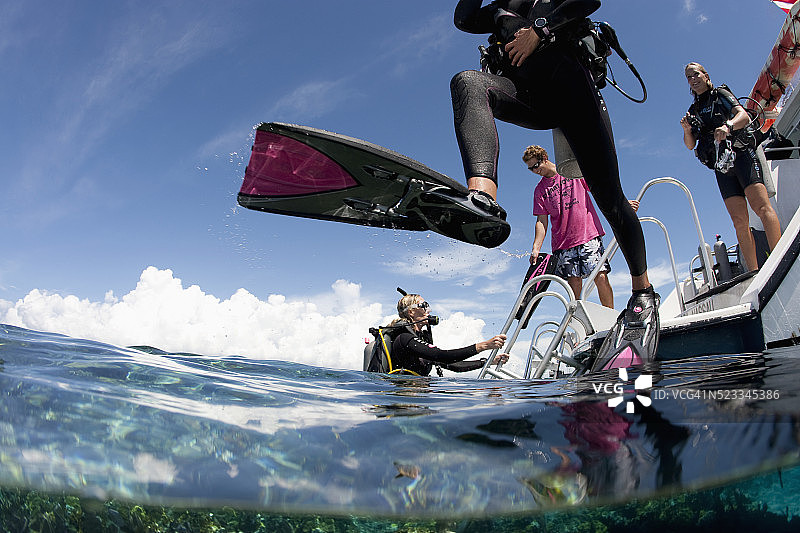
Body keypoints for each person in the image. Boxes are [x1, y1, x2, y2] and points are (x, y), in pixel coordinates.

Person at [450, 0, 659, 337]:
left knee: (612, 202)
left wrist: (538, 30)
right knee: (467, 82)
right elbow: (463, 19)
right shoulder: (494, 12)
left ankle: (643, 292)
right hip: (530, 98)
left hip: (575, 93)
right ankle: (482, 197)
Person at [680, 62, 782, 271]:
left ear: (705, 75)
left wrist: (727, 126)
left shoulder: (720, 94)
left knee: (762, 208)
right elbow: (690, 145)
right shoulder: (694, 110)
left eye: (695, 74)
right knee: (739, 222)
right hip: (722, 167)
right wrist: (687, 130)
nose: (693, 79)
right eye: (689, 78)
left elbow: (743, 116)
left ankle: (780, 258)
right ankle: (754, 272)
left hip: (741, 153)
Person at [524, 144, 636, 308]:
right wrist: (536, 247)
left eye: (536, 165)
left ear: (545, 158)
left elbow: (600, 189)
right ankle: (579, 325)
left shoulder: (571, 171)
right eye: (530, 169)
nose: (535, 170)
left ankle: (610, 318)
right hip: (562, 242)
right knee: (573, 284)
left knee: (600, 276)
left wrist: (622, 204)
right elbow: (541, 221)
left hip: (587, 234)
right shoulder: (539, 190)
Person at [388, 293, 509, 376]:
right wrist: (483, 346)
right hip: (405, 398)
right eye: (424, 306)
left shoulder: (420, 338)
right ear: (411, 312)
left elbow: (455, 365)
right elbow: (442, 355)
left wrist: (488, 362)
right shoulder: (404, 338)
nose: (428, 310)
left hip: (417, 394)